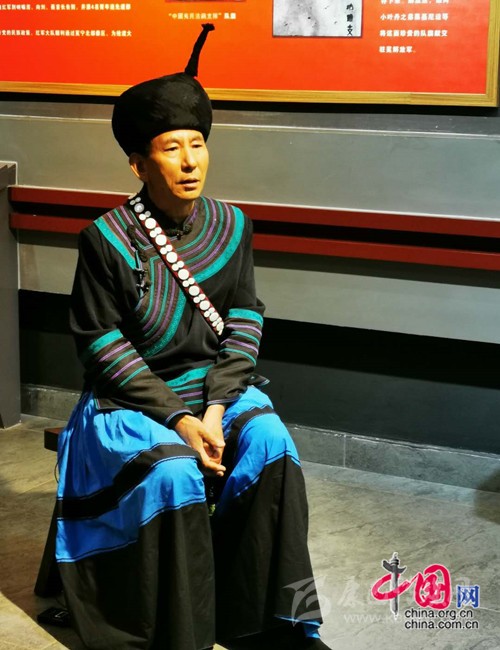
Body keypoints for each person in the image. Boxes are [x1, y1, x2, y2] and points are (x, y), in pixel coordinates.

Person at [55, 24, 332, 650]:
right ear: (138, 163)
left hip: (215, 390)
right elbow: (101, 344)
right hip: (132, 400)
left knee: (272, 444)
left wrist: (214, 406)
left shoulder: (232, 226)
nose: (189, 162)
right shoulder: (106, 238)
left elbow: (245, 317)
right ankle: (184, 633)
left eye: (198, 145)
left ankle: (275, 622)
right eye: (170, 148)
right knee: (175, 472)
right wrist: (181, 420)